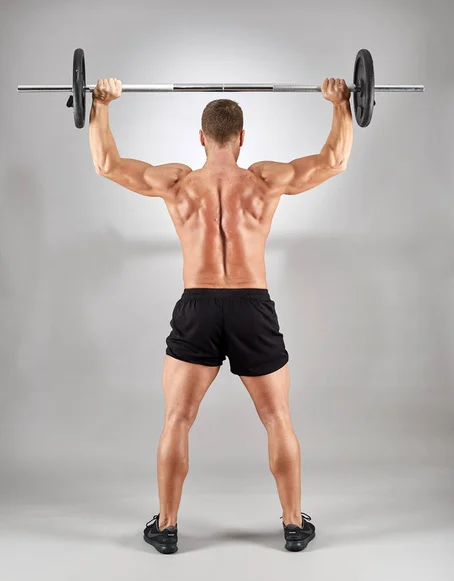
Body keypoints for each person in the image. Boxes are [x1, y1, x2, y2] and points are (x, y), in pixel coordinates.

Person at [89, 77, 353, 554]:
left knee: (177, 419)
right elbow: (335, 160)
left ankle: (166, 528)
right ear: (243, 137)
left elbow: (106, 163)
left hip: (197, 306)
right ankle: (293, 525)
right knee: (277, 417)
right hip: (253, 305)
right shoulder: (264, 180)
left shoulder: (176, 182)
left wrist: (101, 103)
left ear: (201, 138)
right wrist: (342, 105)